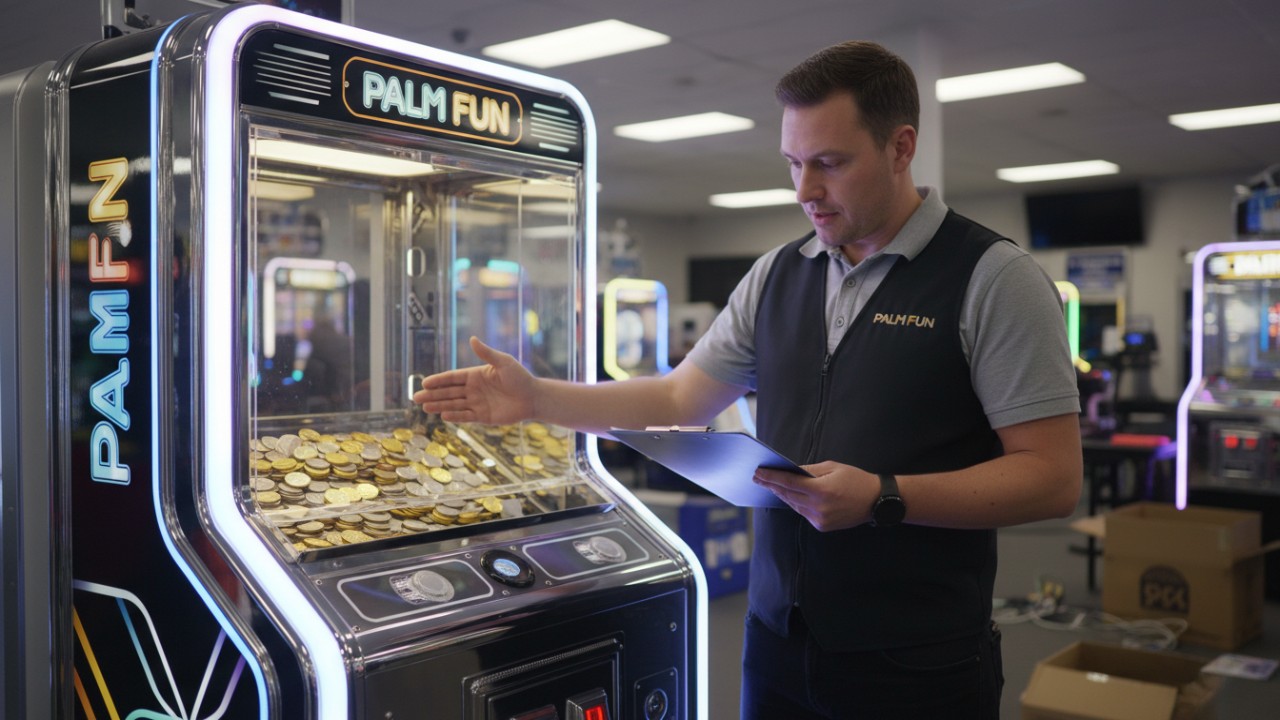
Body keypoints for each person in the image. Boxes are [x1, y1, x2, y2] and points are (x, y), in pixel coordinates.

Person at [414, 40, 1082, 720]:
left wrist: (885, 497)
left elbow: (1053, 478)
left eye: (830, 163)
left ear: (901, 148)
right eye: (793, 163)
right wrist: (537, 398)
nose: (804, 190)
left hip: (917, 658)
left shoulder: (992, 279)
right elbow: (680, 397)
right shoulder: (777, 274)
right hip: (776, 640)